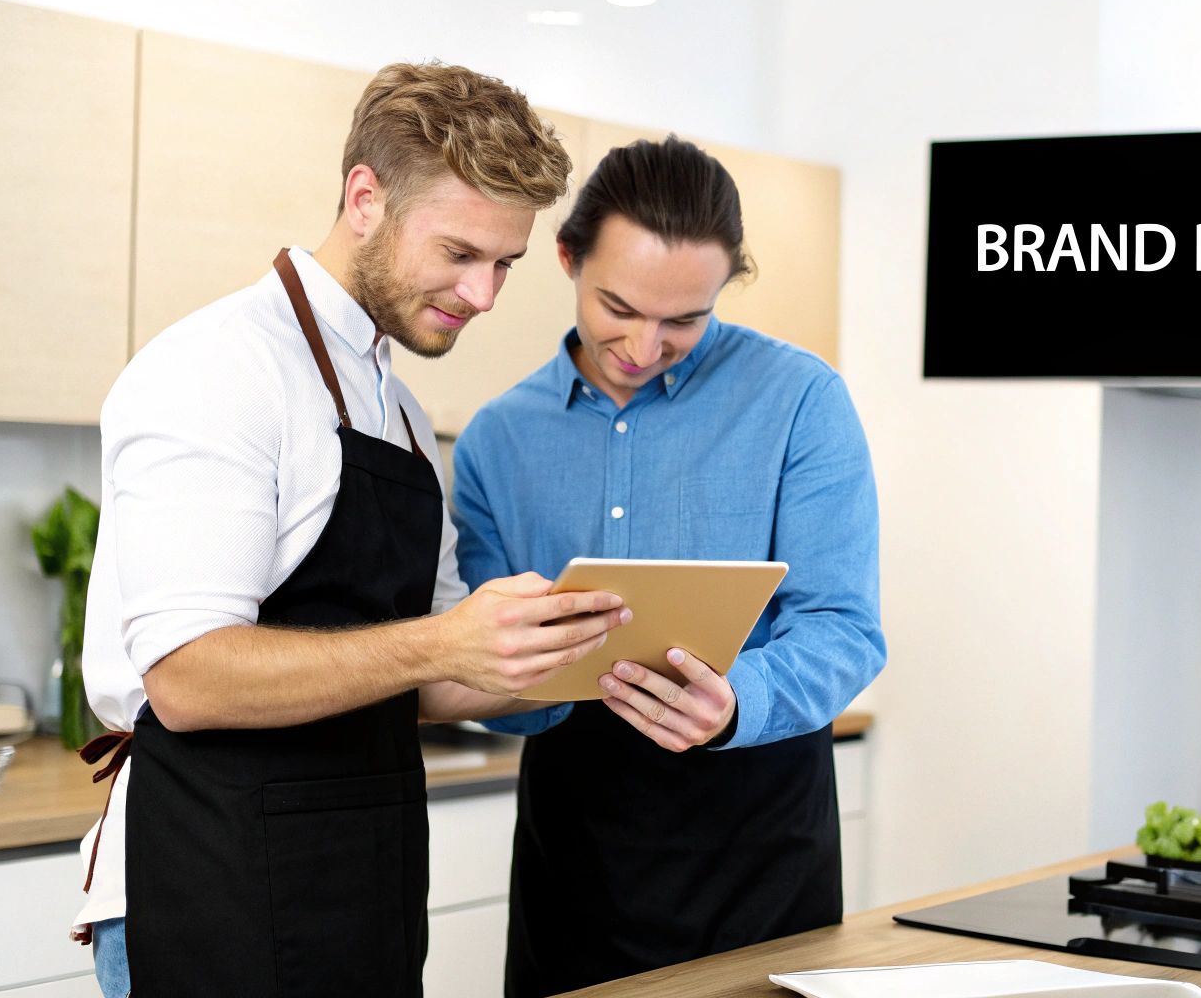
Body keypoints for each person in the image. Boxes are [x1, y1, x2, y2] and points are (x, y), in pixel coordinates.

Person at [69, 62, 627, 998]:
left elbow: (431, 676)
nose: (485, 295)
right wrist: (445, 640)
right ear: (364, 197)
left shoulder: (400, 409)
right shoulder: (220, 369)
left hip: (361, 882)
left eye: (505, 264)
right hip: (215, 885)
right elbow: (189, 676)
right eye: (459, 253)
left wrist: (588, 655)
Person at [450, 135, 887, 997]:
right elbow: (481, 665)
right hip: (573, 856)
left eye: (684, 319)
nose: (645, 346)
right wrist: (505, 681)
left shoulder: (802, 400)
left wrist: (736, 704)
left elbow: (845, 629)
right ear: (569, 257)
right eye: (619, 306)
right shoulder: (496, 441)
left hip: (760, 848)